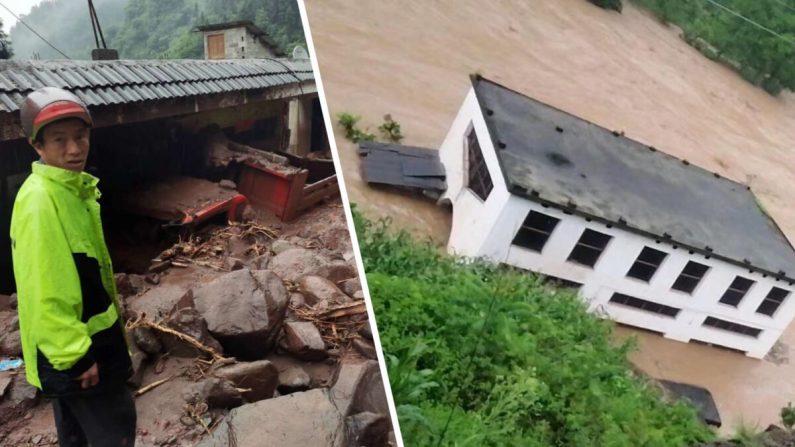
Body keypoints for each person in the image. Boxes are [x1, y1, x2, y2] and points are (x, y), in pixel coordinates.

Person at [10, 87, 136, 446]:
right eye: (60, 140)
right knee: (113, 433)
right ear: (37, 146)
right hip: (80, 356)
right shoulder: (41, 202)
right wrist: (76, 359)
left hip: (84, 347)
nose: (74, 149)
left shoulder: (70, 191)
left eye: (80, 136)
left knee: (78, 437)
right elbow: (46, 288)